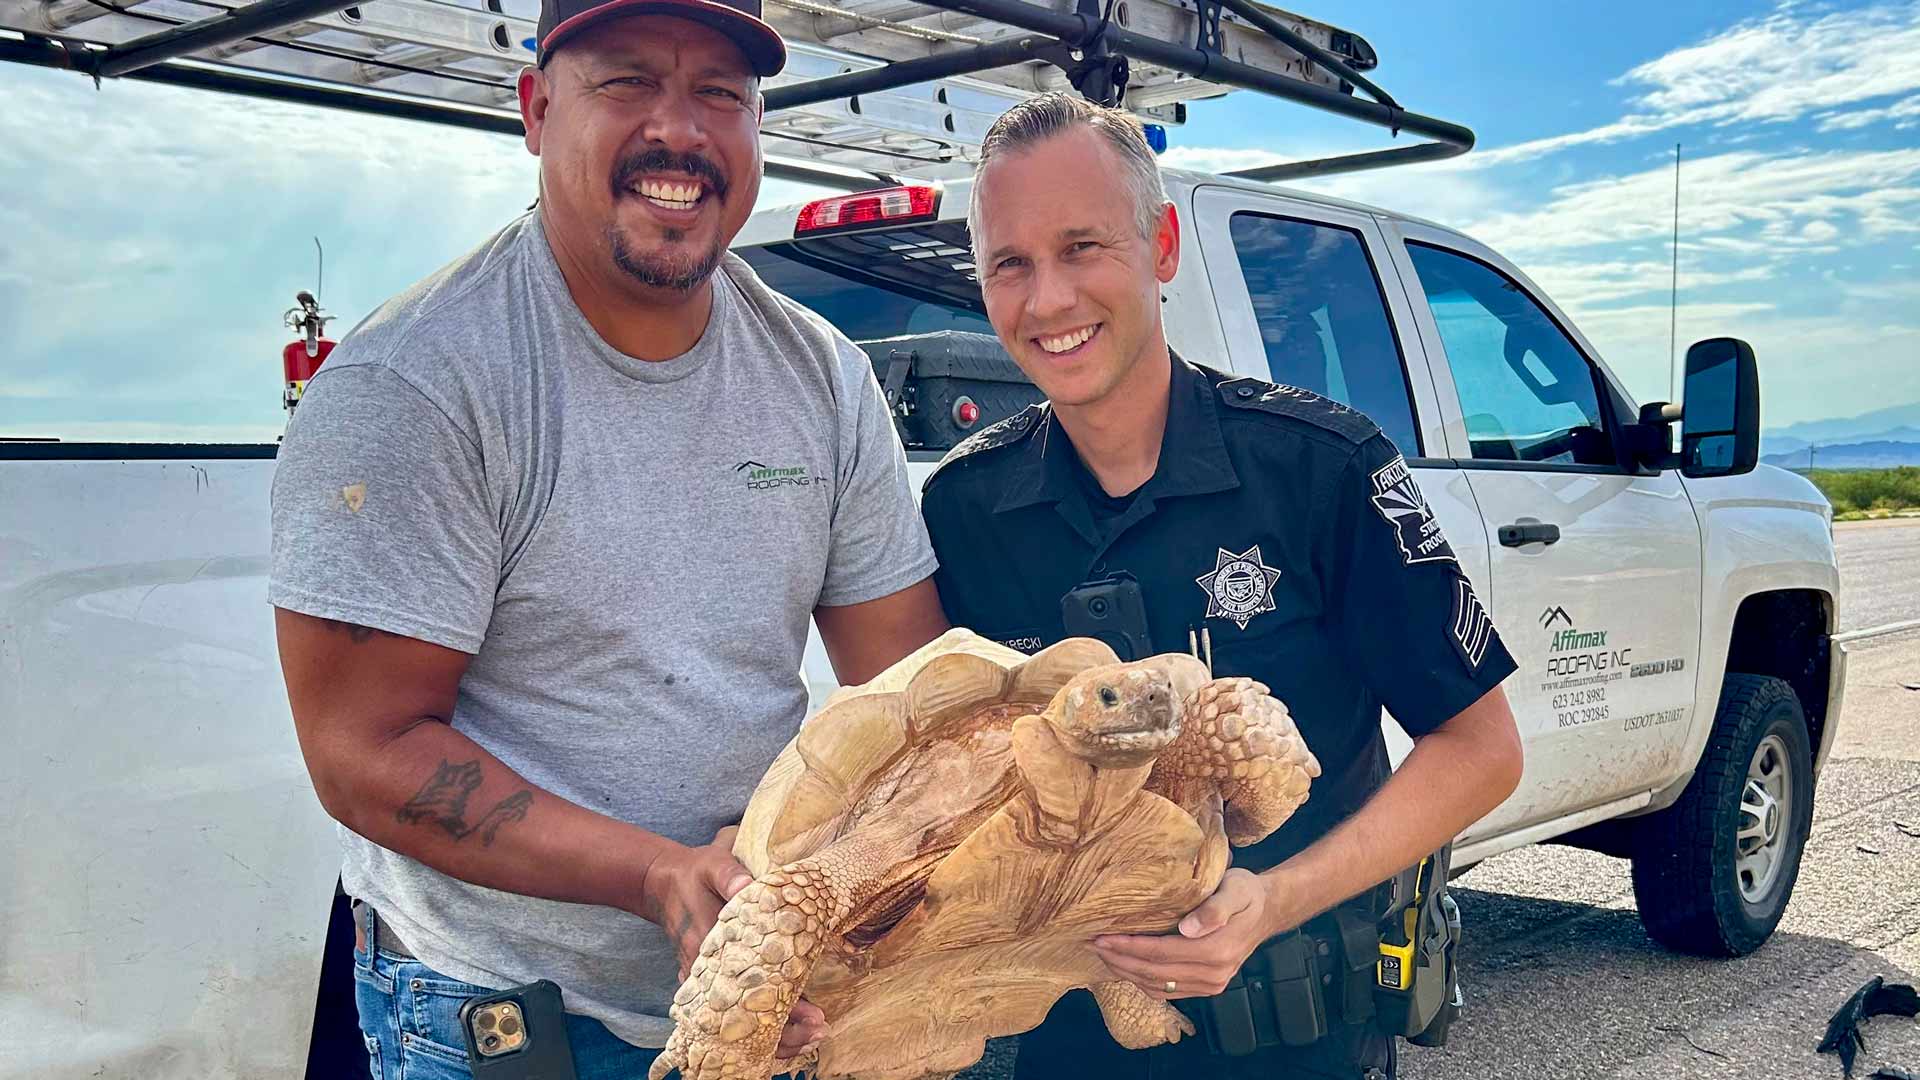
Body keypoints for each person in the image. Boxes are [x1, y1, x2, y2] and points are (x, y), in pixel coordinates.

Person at [268, 0, 949, 1073]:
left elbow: (913, 697)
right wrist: (657, 875)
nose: (679, 131)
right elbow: (364, 751)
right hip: (500, 1025)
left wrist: (837, 887)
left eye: (720, 93)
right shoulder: (420, 382)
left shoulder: (820, 374)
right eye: (627, 81)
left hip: (762, 997)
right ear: (537, 110)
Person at [920, 92, 1526, 1080]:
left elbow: (1481, 750)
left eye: (1083, 248)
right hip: (1074, 1045)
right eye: (1010, 265)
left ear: (1161, 245)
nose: (1048, 301)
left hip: (1307, 1037)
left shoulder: (1322, 468)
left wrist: (1273, 900)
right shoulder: (965, 513)